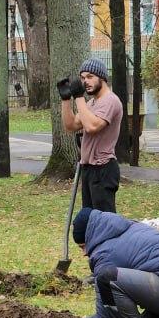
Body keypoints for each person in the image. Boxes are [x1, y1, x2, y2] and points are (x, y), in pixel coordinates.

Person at [58, 57, 123, 213]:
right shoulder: (92, 103)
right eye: (82, 78)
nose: (85, 81)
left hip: (103, 168)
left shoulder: (110, 101)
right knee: (90, 221)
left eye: (90, 77)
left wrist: (79, 97)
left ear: (102, 78)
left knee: (104, 221)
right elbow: (71, 125)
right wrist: (66, 100)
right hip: (88, 168)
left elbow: (92, 126)